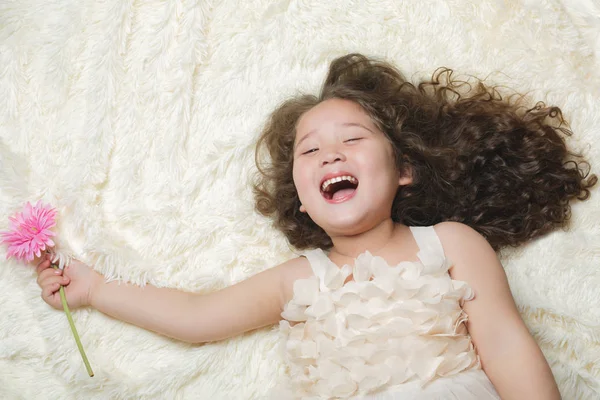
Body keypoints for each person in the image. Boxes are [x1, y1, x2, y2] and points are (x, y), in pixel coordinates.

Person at [36, 54, 596, 399]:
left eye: (352, 140)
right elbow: (196, 316)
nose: (331, 155)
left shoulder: (450, 243)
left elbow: (505, 344)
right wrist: (94, 289)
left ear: (404, 169)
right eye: (310, 151)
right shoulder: (299, 279)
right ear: (301, 202)